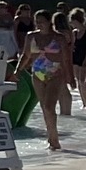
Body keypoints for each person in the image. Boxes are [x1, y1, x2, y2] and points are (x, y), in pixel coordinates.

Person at [21, 9, 65, 152]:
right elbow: (25, 55)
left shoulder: (59, 37)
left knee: (49, 107)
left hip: (55, 73)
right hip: (37, 74)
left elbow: (67, 58)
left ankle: (54, 138)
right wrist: (17, 70)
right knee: (44, 108)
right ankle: (50, 137)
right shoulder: (30, 36)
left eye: (41, 22)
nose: (39, 24)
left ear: (49, 22)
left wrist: (70, 76)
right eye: (37, 22)